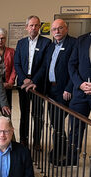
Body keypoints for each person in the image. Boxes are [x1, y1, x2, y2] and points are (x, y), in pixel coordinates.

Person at [41, 19, 76, 163]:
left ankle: (60, 150)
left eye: (60, 28)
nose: (57, 32)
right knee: (55, 122)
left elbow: (75, 68)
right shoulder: (50, 46)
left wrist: (69, 87)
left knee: (58, 121)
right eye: (54, 29)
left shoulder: (73, 44)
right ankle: (61, 148)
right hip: (51, 89)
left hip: (64, 91)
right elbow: (46, 66)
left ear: (66, 29)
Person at [14, 15, 51, 148]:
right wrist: (24, 79)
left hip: (37, 84)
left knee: (37, 115)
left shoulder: (46, 43)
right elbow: (16, 63)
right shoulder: (21, 43)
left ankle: (36, 141)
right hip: (23, 84)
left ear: (39, 27)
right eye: (31, 25)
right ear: (26, 27)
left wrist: (33, 80)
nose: (34, 28)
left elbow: (45, 65)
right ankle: (23, 139)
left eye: (36, 25)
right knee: (24, 113)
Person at [67, 32, 91, 165]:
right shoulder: (81, 40)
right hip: (80, 93)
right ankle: (72, 158)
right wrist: (80, 84)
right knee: (75, 127)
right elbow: (72, 65)